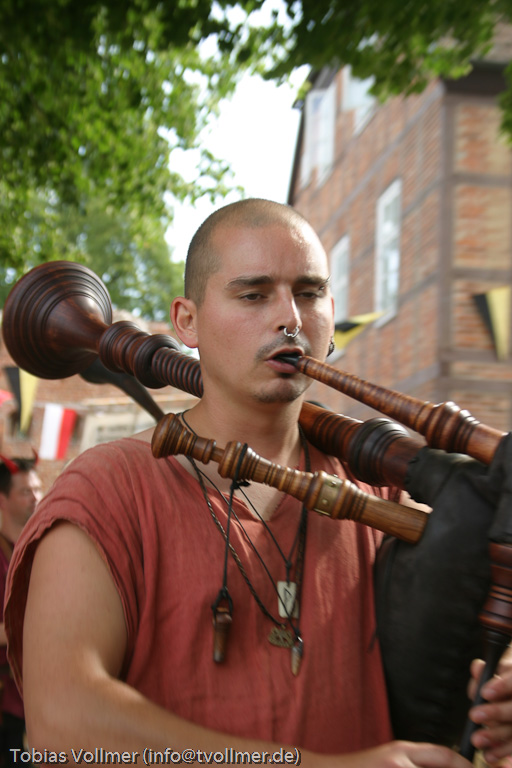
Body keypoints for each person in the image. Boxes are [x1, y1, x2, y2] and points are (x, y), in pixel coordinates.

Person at [4, 199, 512, 766]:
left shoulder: (378, 492)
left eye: (310, 294)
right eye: (253, 294)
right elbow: (62, 726)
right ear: (187, 322)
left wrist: (493, 695)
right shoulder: (107, 490)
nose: (290, 317)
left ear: (332, 315)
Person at [0, 456, 42, 765]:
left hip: (37, 694)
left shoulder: (42, 547)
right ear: (2, 499)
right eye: (26, 491)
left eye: (38, 489)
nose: (36, 497)